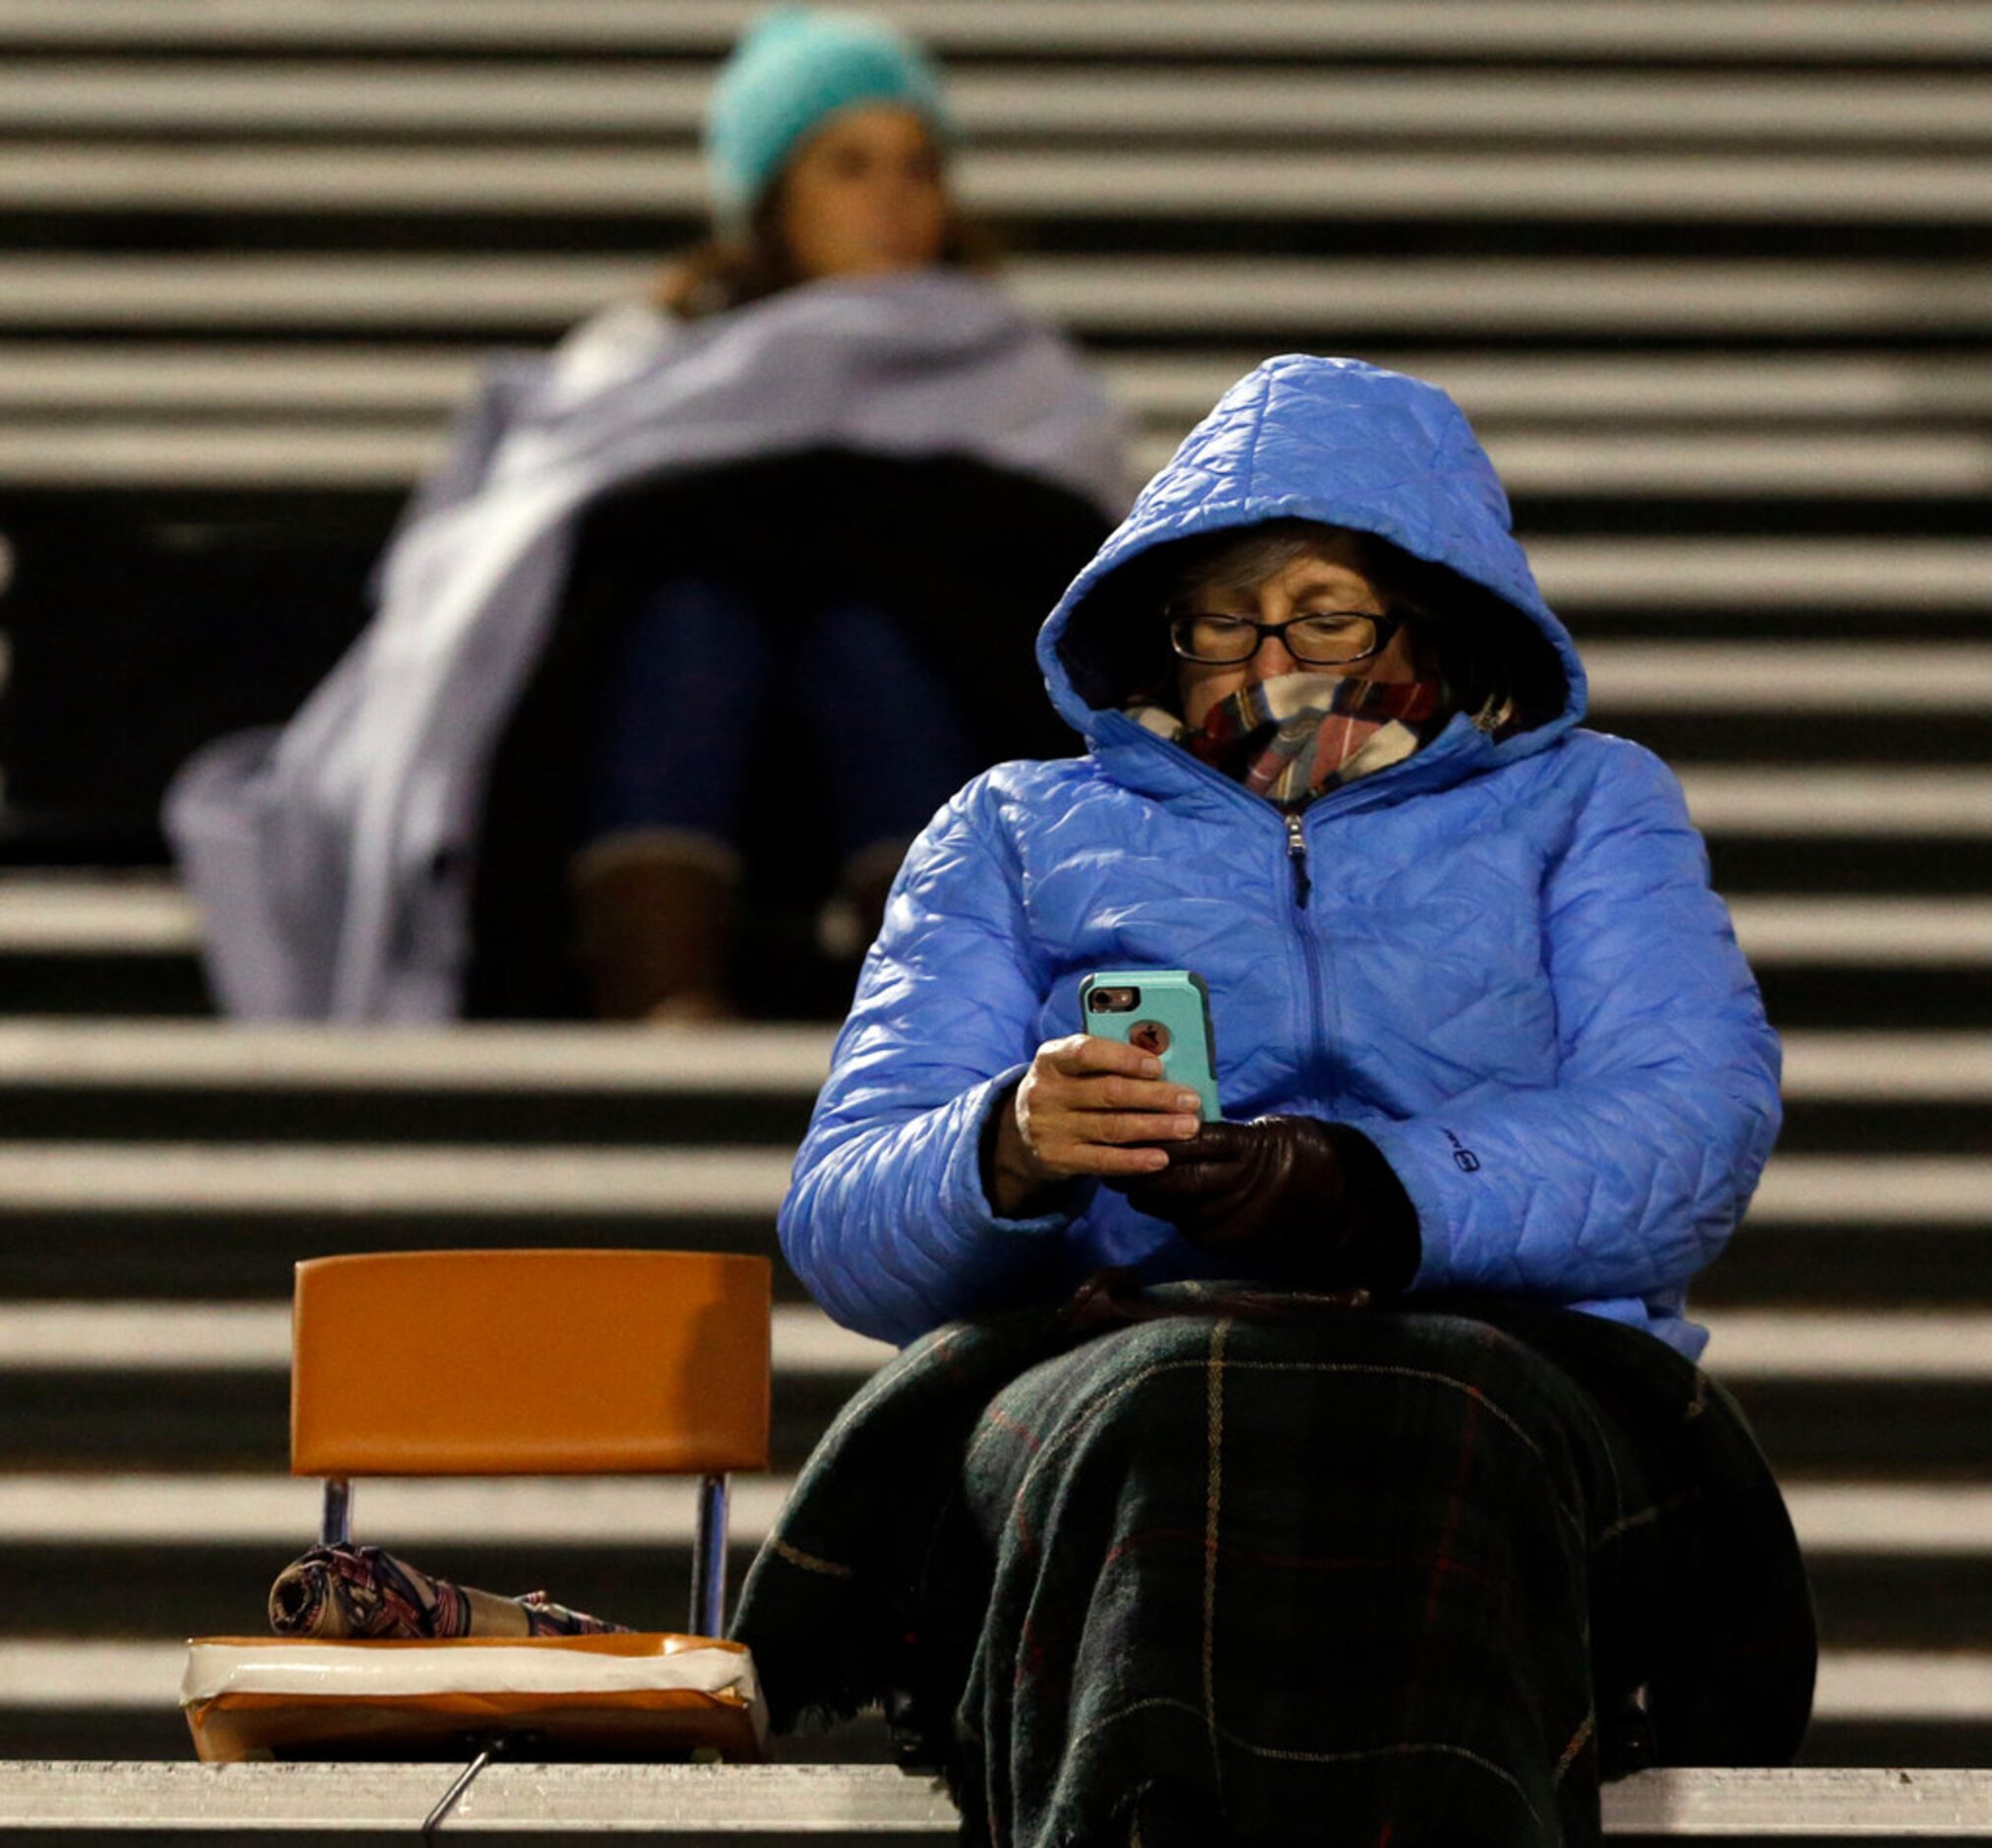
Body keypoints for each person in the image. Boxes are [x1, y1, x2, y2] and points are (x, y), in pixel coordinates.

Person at [733, 356, 1816, 1846]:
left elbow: (1688, 1125)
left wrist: (1363, 1190)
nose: (1271, 650)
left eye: (1325, 610)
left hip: (1506, 1353)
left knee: (1429, 1411)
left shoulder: (1588, 803)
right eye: (1225, 613)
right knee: (1170, 1406)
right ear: (1158, 625)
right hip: (1113, 1352)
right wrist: (1011, 1144)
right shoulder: (1013, 826)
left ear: (1430, 612)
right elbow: (849, 1221)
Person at [166, 7, 1126, 1021]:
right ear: (770, 195)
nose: (891, 198)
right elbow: (517, 560)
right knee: (691, 619)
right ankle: (663, 999)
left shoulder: (1027, 374)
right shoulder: (643, 358)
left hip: (925, 725)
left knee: (865, 638)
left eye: (917, 166)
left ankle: (940, 1011)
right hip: (658, 726)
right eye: (847, 165)